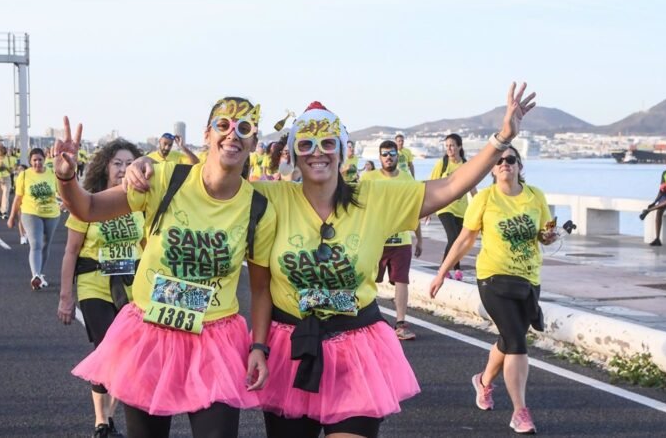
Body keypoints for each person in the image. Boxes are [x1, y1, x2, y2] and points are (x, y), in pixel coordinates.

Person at [125, 82, 537, 438]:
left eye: (327, 144)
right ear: (293, 154)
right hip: (291, 349)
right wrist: (148, 167)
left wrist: (500, 140)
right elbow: (216, 185)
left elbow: (447, 188)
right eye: (305, 145)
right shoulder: (271, 198)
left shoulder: (374, 198)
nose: (316, 153)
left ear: (342, 150)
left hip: (356, 347)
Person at [57, 96, 277, 438]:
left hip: (214, 340)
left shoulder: (259, 207)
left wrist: (259, 347)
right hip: (151, 333)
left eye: (243, 128)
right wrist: (67, 176)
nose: (233, 135)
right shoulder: (164, 179)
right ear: (207, 134)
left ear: (253, 142)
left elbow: (262, 289)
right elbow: (87, 208)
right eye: (223, 125)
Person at [429, 144, 554, 435]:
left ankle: (483, 381)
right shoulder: (485, 198)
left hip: (528, 278)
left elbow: (544, 233)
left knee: (511, 339)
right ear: (492, 170)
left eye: (510, 160)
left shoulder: (536, 196)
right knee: (517, 343)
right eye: (499, 161)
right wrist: (441, 273)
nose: (504, 164)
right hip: (493, 279)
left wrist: (548, 235)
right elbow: (464, 239)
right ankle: (520, 412)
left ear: (520, 166)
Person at [58, 139, 145, 438]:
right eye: (117, 163)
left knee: (131, 355)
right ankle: (100, 421)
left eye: (129, 163)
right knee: (108, 349)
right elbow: (71, 251)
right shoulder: (89, 201)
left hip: (133, 288)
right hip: (94, 283)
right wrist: (65, 297)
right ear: (106, 167)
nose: (123, 169)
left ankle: (109, 416)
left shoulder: (142, 203)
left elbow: (148, 247)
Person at [360, 140, 423, 340]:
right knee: (367, 280)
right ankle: (367, 321)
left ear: (398, 156)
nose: (388, 157)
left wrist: (419, 239)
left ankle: (401, 323)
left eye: (392, 153)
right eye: (384, 154)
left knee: (402, 281)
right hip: (375, 238)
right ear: (379, 158)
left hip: (401, 241)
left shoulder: (406, 179)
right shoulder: (369, 178)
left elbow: (414, 210)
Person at [8, 148, 61, 290]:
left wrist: (68, 205)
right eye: (34, 160)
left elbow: (62, 192)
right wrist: (12, 216)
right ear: (30, 161)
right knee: (36, 243)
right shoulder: (24, 175)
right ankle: (35, 275)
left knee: (46, 244)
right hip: (31, 212)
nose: (37, 162)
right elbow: (18, 197)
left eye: (40, 159)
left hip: (51, 214)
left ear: (44, 160)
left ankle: (40, 273)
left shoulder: (52, 173)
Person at [429, 133, 477, 281]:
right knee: (453, 237)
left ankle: (456, 268)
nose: (449, 149)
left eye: (452, 145)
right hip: (445, 207)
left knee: (459, 240)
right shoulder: (442, 164)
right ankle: (443, 268)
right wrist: (427, 210)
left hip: (462, 209)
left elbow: (472, 188)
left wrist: (480, 206)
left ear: (459, 147)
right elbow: (431, 185)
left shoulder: (466, 165)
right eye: (447, 146)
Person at [0, 144, 14, 220]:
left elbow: (11, 171)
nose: (0, 151)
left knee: (5, 194)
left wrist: (5, 167)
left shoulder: (9, 159)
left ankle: (4, 211)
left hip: (6, 178)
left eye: (2, 149)